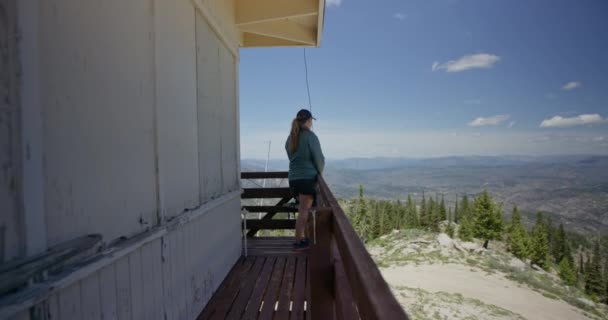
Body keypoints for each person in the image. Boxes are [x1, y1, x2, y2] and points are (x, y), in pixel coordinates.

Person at [285, 109, 325, 251]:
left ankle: (304, 238)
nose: (311, 123)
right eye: (311, 121)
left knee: (304, 210)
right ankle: (298, 241)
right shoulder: (310, 137)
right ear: (308, 121)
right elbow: (319, 159)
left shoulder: (291, 138)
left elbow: (292, 158)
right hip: (307, 179)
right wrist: (319, 173)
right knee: (304, 211)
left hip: (293, 180)